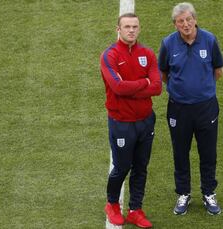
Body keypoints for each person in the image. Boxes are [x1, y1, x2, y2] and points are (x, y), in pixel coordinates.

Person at [158, 2, 223, 216]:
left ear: (195, 19)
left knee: (208, 152)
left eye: (188, 20)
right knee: (180, 153)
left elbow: (218, 70)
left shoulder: (210, 40)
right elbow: (163, 74)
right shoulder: (168, 44)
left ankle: (208, 193)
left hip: (206, 108)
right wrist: (182, 90)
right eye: (181, 21)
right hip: (178, 109)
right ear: (175, 24)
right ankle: (183, 193)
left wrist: (201, 89)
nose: (185, 24)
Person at [100, 13, 162, 228]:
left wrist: (131, 87)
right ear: (118, 29)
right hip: (121, 123)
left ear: (139, 29)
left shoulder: (148, 54)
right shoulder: (109, 55)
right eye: (127, 26)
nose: (131, 30)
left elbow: (157, 87)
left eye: (135, 26)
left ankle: (136, 209)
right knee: (121, 167)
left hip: (145, 121)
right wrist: (143, 83)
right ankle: (112, 204)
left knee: (141, 166)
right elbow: (117, 87)